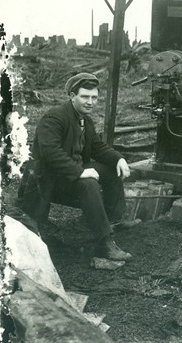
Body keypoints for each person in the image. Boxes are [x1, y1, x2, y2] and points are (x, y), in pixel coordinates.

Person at [21, 73, 138, 262]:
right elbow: (51, 152)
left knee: (110, 170)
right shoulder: (54, 117)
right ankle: (104, 243)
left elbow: (97, 148)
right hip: (48, 181)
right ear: (72, 95)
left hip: (70, 174)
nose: (90, 102)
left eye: (94, 97)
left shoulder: (85, 120)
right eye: (85, 96)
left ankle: (113, 220)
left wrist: (119, 159)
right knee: (89, 183)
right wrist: (81, 172)